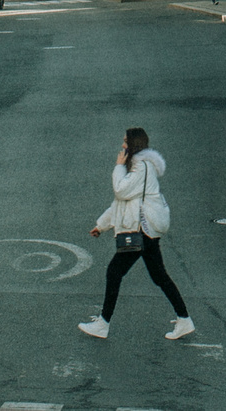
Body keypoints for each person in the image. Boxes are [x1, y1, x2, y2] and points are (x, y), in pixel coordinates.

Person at [79, 127, 194, 342]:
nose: (122, 146)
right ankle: (184, 319)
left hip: (141, 230)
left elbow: (120, 191)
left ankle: (103, 324)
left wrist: (118, 166)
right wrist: (101, 226)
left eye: (125, 142)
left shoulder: (141, 167)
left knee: (114, 272)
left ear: (133, 145)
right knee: (159, 277)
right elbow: (121, 203)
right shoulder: (139, 167)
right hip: (146, 231)